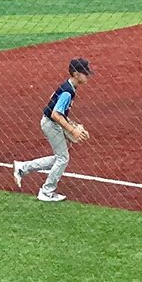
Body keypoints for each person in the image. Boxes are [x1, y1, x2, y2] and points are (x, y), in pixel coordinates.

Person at [12, 55, 90, 203]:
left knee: (59, 157)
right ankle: (46, 191)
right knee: (63, 158)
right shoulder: (68, 91)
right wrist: (72, 130)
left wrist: (72, 124)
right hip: (51, 124)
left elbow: (59, 112)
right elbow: (55, 114)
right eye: (85, 73)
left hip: (51, 123)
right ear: (76, 74)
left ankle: (22, 167)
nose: (87, 76)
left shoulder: (68, 87)